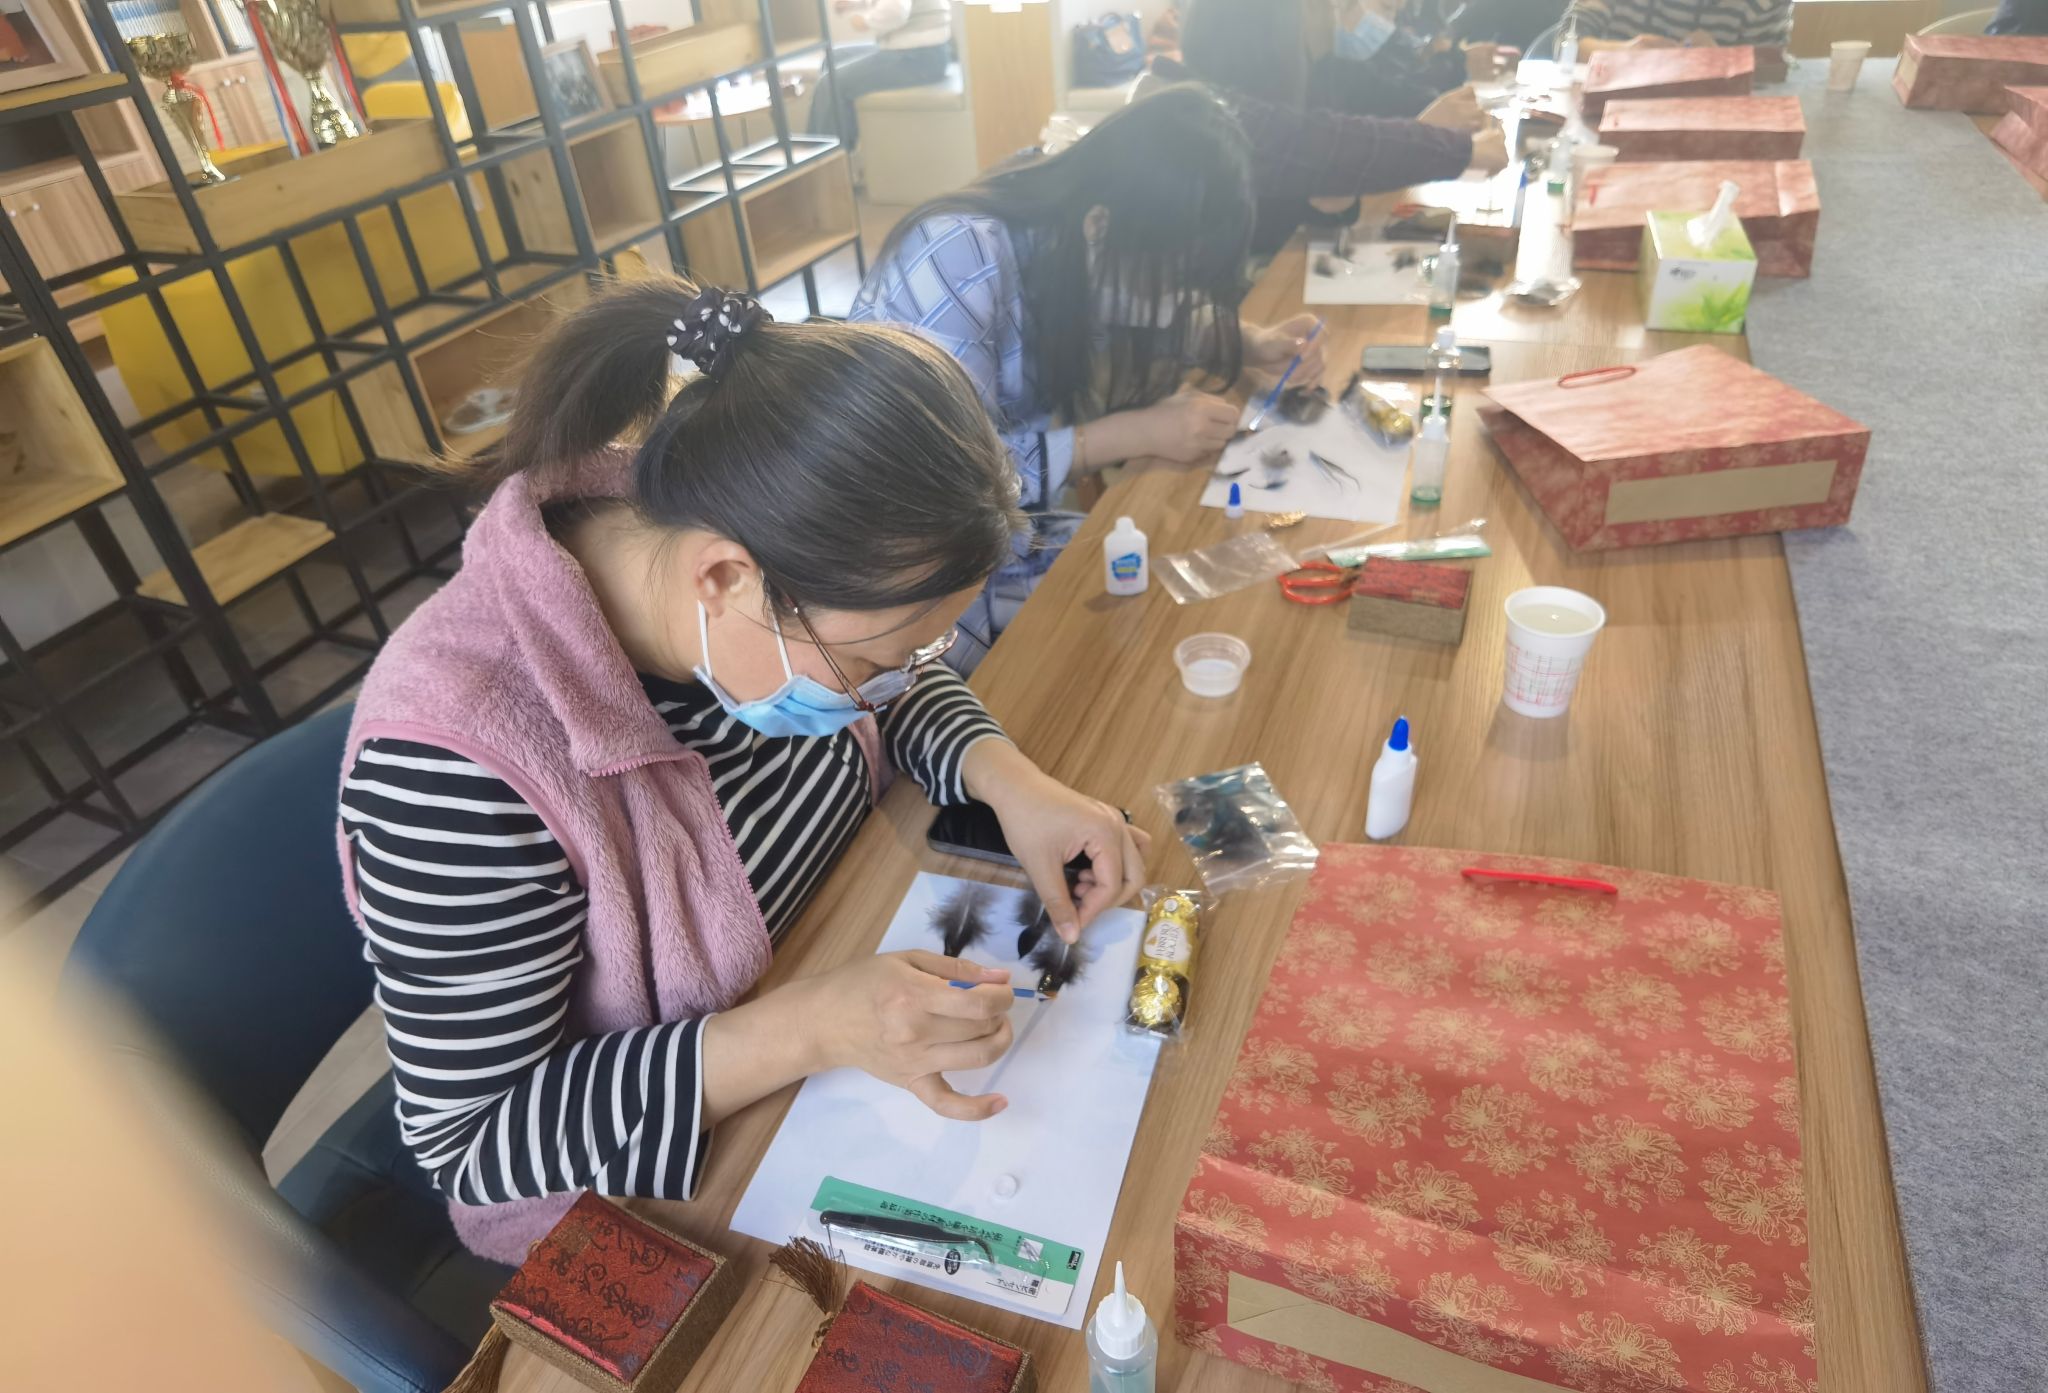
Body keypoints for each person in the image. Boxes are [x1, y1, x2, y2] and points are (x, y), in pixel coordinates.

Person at [336, 278, 1151, 1262]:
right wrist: (810, 1029)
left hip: (830, 969)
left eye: (919, 649)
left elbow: (897, 679)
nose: (892, 683)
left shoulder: (736, 547)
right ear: (723, 579)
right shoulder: (453, 766)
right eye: (875, 658)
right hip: (655, 1185)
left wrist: (1011, 781)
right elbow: (475, 1142)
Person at [850, 88, 1325, 666]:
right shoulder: (959, 254)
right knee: (1146, 630)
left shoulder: (1075, 225)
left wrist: (1250, 341)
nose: (1179, 302)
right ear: (1101, 224)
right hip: (914, 581)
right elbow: (946, 488)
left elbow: (1139, 299)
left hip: (1007, 533)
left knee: (1191, 589)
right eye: (1175, 280)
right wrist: (1136, 433)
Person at [1163, 0, 1506, 251]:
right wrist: (1457, 148)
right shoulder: (1204, 110)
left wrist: (1336, 192)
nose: (1333, 16)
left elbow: (1328, 169)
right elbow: (1316, 145)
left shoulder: (1303, 81)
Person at [805, 0, 953, 153]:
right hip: (916, 51)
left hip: (918, 57)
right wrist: (857, 4)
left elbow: (896, 11)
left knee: (830, 84)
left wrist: (866, 21)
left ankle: (827, 159)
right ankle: (830, 151)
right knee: (832, 58)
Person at [1564, 0, 1793, 49]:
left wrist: (1724, 64)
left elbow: (1769, 77)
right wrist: (1626, 53)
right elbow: (1567, 41)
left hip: (1713, 122)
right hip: (1611, 111)